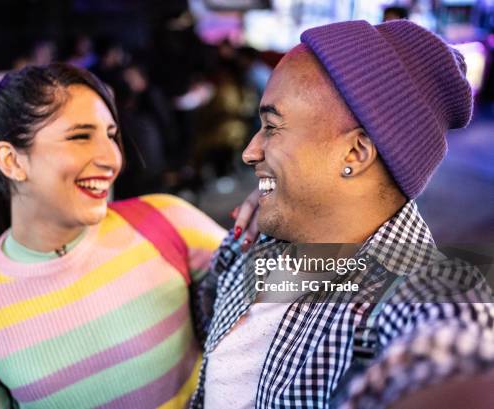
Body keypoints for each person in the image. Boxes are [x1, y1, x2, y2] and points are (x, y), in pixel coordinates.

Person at [189, 19, 494, 408]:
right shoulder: (261, 240)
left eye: (272, 127)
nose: (250, 152)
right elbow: (207, 319)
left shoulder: (424, 289)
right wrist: (283, 193)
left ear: (354, 154)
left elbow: (455, 350)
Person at [0, 63, 237, 408]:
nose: (112, 158)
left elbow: (304, 280)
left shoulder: (165, 221)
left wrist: (289, 228)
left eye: (110, 134)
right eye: (80, 136)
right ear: (12, 161)